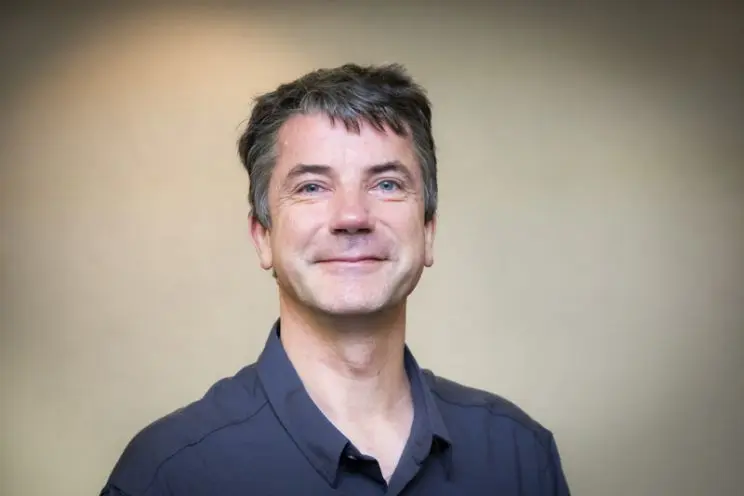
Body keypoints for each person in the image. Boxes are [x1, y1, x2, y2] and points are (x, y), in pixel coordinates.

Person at [100, 63, 571, 495]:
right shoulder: (166, 475)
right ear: (263, 236)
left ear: (428, 232)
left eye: (386, 183)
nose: (351, 216)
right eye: (311, 187)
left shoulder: (519, 456)